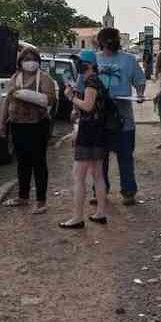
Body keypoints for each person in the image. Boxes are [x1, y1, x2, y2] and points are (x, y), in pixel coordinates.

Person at [0, 46, 57, 214]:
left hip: (38, 125)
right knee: (22, 162)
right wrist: (1, 123)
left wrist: (25, 95)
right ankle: (22, 197)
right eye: (26, 59)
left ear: (38, 62)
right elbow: (7, 101)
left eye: (33, 59)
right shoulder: (15, 78)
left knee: (38, 162)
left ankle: (41, 200)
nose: (30, 63)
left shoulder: (44, 79)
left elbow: (49, 100)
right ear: (20, 62)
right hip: (17, 124)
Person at [95, 28, 146, 205]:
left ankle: (129, 192)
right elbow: (84, 85)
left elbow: (139, 80)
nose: (113, 41)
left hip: (124, 117)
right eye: (109, 39)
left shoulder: (129, 59)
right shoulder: (94, 60)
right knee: (100, 158)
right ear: (101, 42)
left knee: (125, 156)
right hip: (99, 116)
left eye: (115, 38)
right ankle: (100, 191)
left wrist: (139, 94)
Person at [60, 50, 109, 228]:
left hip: (89, 131)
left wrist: (71, 97)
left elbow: (88, 106)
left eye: (80, 61)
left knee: (78, 175)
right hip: (98, 131)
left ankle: (77, 217)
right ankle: (100, 213)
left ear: (89, 64)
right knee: (97, 173)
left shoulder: (91, 81)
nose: (78, 64)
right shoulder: (96, 81)